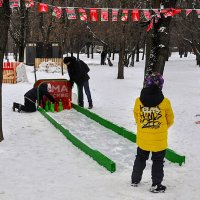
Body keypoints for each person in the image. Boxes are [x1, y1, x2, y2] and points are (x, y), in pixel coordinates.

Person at [131, 72, 174, 193]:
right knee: (158, 161)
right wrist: (161, 127)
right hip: (159, 140)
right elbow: (170, 119)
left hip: (143, 138)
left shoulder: (138, 101)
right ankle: (156, 184)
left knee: (140, 157)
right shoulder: (165, 102)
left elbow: (137, 116)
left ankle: (135, 180)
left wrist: (144, 126)